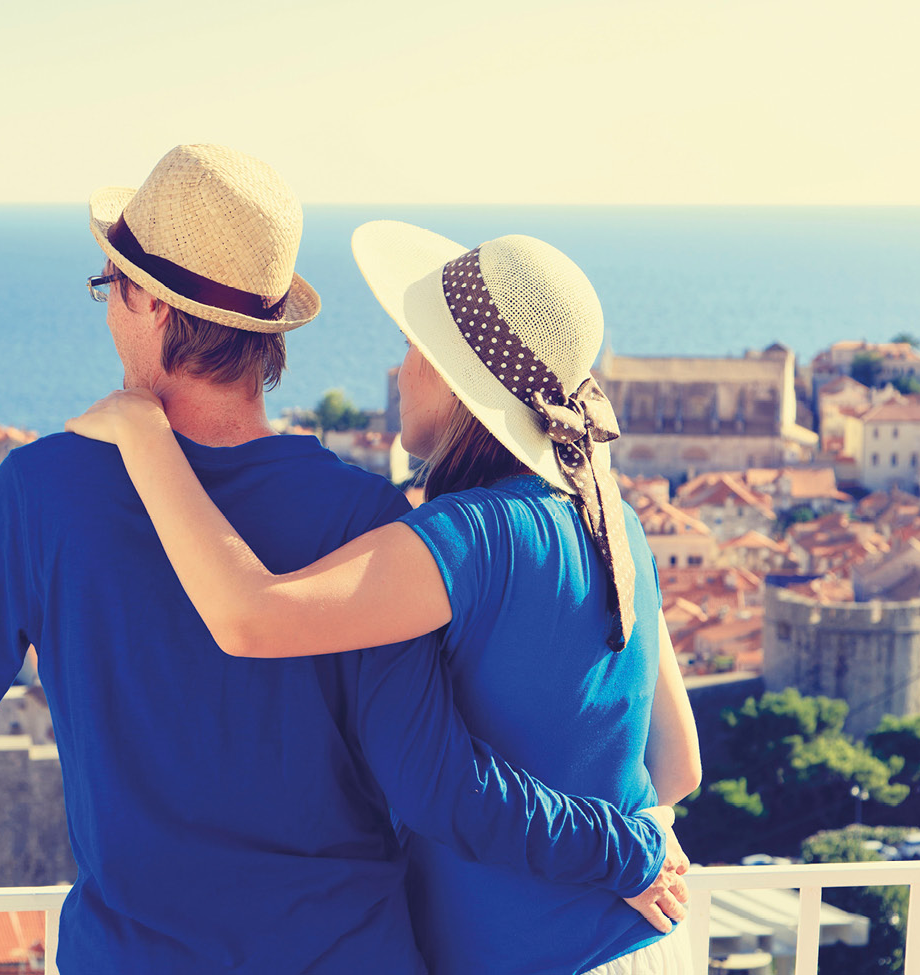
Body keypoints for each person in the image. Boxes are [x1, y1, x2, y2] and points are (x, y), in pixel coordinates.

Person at [0, 147, 689, 974]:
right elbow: (427, 771)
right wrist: (624, 839)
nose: (110, 312)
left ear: (153, 308)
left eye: (110, 289)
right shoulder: (371, 515)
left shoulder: (44, 495)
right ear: (266, 335)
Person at [63, 222, 702, 975]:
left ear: (446, 370)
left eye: (409, 346)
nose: (398, 369)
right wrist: (638, 850)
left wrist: (143, 436)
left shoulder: (471, 536)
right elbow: (680, 763)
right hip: (652, 944)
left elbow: (250, 614)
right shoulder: (612, 518)